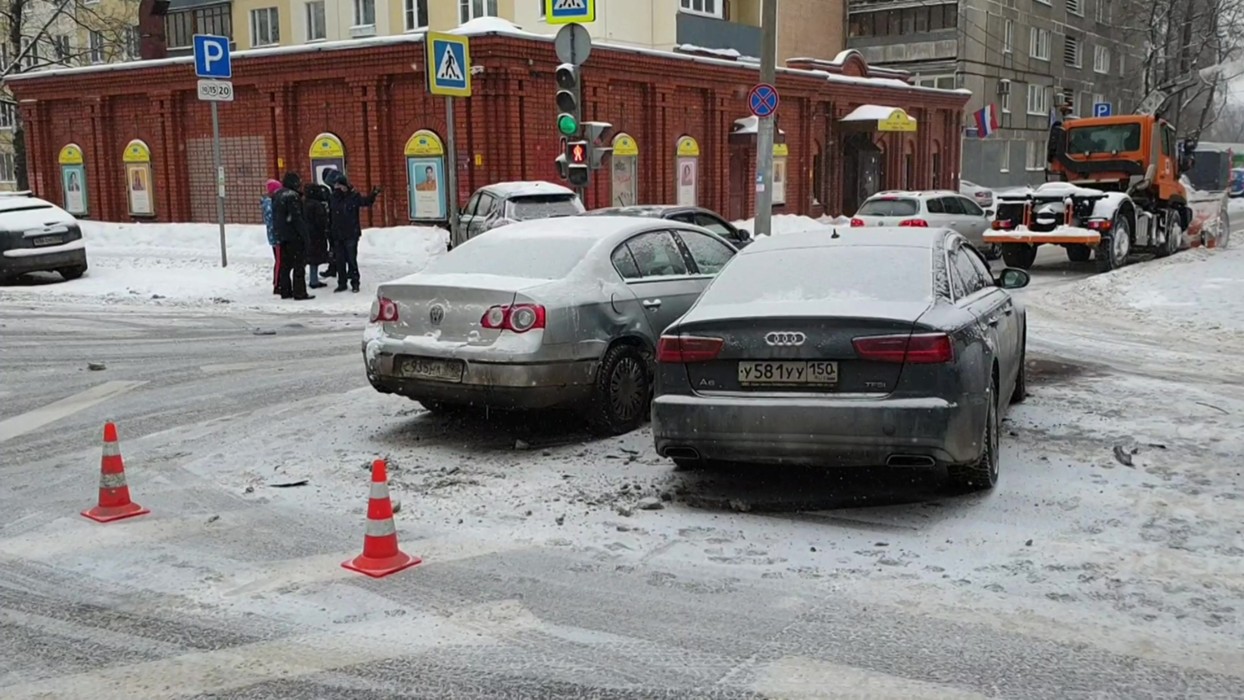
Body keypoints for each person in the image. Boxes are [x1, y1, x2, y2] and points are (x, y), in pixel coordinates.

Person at [328, 174, 381, 294]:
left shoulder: (353, 196)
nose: (338, 188)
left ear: (345, 186)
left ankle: (355, 282)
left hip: (351, 233)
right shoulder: (333, 197)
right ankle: (341, 283)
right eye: (336, 186)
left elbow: (365, 202)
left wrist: (373, 195)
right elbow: (331, 215)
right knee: (340, 260)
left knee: (351, 259)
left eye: (340, 186)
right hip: (337, 233)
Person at [272, 172, 314, 301]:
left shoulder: (277, 195)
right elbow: (297, 219)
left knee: (285, 265)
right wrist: (305, 236)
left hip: (282, 236)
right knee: (298, 265)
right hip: (295, 237)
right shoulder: (292, 197)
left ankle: (285, 290)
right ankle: (299, 292)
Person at [303, 182, 331, 289]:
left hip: (307, 235)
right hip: (317, 235)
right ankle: (313, 281)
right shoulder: (317, 205)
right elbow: (321, 221)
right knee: (315, 259)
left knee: (310, 258)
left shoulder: (304, 203)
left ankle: (312, 279)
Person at [262, 179, 281, 295]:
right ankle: (277, 284)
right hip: (276, 236)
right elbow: (273, 219)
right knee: (279, 261)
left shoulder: (270, 202)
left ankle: (277, 282)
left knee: (279, 260)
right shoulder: (270, 204)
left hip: (275, 234)